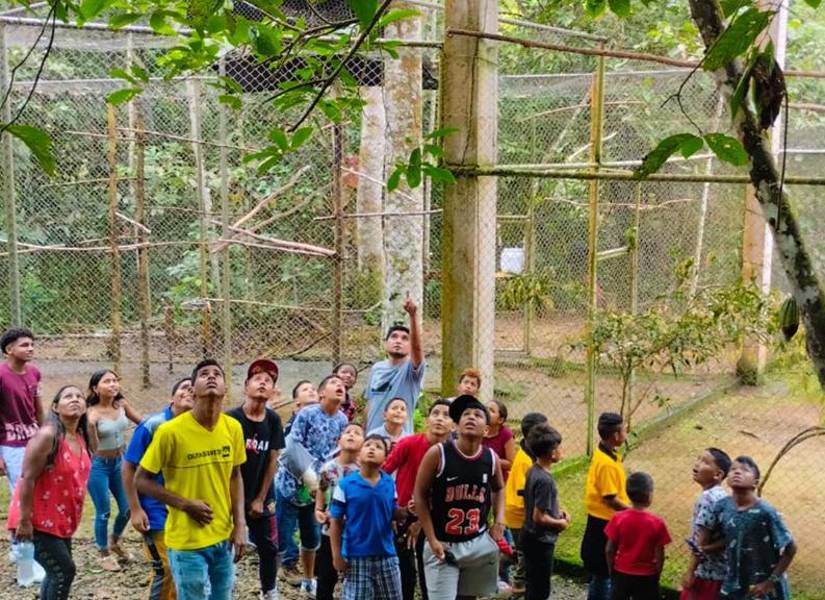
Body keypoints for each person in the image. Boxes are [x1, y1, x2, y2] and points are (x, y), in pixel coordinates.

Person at [136, 359, 246, 600]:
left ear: (225, 388)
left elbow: (235, 475)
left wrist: (239, 524)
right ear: (193, 389)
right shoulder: (170, 432)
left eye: (217, 374)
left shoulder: (234, 428)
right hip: (187, 541)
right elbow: (141, 480)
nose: (211, 377)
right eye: (204, 374)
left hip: (223, 536)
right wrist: (185, 504)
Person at [414, 395, 505, 600]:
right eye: (465, 414)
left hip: (476, 540)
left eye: (478, 415)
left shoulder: (491, 458)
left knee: (469, 597)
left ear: (487, 430)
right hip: (442, 543)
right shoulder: (438, 454)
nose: (471, 417)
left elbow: (499, 488)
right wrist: (431, 538)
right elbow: (419, 495)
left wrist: (500, 521)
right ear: (455, 426)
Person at [8, 385, 91, 600]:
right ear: (55, 407)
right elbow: (27, 478)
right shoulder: (48, 436)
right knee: (64, 572)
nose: (75, 399)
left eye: (80, 396)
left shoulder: (81, 436)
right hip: (37, 519)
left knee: (55, 573)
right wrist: (25, 521)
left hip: (60, 519)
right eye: (68, 396)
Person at [275, 374, 348, 597]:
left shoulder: (343, 420)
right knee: (282, 535)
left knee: (311, 537)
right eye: (334, 384)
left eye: (343, 386)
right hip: (291, 484)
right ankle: (274, 577)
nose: (340, 387)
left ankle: (308, 579)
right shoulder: (307, 413)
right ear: (321, 392)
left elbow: (337, 454)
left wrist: (324, 486)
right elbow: (292, 446)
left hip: (319, 491)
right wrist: (310, 480)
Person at [122, 377, 194, 600]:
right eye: (184, 387)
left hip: (184, 508)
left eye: (194, 389)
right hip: (154, 509)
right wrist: (135, 509)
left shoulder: (198, 428)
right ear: (171, 397)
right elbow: (128, 467)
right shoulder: (154, 424)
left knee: (181, 567)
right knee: (165, 568)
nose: (189, 391)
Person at [226, 359, 285, 600]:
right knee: (226, 548)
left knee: (270, 548)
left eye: (268, 380)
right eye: (257, 378)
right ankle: (224, 590)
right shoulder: (230, 420)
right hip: (230, 495)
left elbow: (273, 461)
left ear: (272, 391)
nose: (263, 382)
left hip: (262, 495)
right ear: (245, 386)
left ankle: (269, 591)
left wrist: (260, 498)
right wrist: (234, 504)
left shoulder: (273, 420)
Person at [382, 399, 453, 600]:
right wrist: (393, 509)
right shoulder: (409, 443)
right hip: (402, 514)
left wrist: (422, 522)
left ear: (453, 424)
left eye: (446, 415)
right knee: (404, 572)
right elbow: (383, 475)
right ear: (427, 419)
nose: (440, 419)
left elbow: (447, 493)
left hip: (434, 519)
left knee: (429, 570)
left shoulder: (452, 454)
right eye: (435, 413)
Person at [704, 456, 797, 600]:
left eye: (745, 470)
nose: (737, 472)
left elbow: (791, 548)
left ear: (755, 483)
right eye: (733, 469)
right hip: (733, 583)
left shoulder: (766, 512)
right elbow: (729, 538)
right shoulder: (722, 506)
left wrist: (770, 582)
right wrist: (706, 548)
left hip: (763, 587)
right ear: (727, 478)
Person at [329, 434, 405, 600]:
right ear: (359, 454)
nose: (372, 448)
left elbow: (393, 512)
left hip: (387, 554)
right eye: (368, 445)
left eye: (378, 447)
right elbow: (335, 522)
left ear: (385, 458)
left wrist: (406, 512)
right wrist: (337, 555)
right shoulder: (345, 485)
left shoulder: (389, 483)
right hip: (356, 556)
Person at [86, 369, 143, 571]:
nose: (113, 385)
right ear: (95, 388)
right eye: (107, 381)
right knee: (103, 512)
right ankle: (103, 554)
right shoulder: (90, 413)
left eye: (114, 381)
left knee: (127, 509)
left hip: (121, 462)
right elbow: (93, 448)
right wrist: (91, 426)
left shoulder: (122, 404)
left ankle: (114, 542)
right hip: (98, 465)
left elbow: (142, 423)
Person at [581, 412, 629, 600]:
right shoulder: (607, 463)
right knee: (603, 572)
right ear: (616, 435)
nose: (626, 432)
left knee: (599, 572)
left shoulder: (603, 452)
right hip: (604, 521)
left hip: (599, 519)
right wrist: (633, 512)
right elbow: (610, 498)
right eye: (624, 429)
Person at [315, 422, 364, 600]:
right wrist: (319, 510)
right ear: (339, 440)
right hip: (329, 529)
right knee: (326, 575)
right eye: (348, 432)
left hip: (355, 531)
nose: (351, 435)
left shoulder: (364, 471)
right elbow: (321, 489)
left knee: (355, 575)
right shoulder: (328, 468)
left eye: (357, 433)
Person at [522, 422, 571, 600]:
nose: (560, 451)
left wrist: (558, 512)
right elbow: (539, 516)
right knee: (541, 589)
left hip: (528, 535)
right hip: (541, 540)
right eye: (558, 448)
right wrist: (561, 522)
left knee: (532, 583)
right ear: (551, 453)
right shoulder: (545, 481)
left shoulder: (532, 470)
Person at [605, 472, 672, 600]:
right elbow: (659, 554)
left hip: (621, 572)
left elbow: (609, 549)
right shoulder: (656, 522)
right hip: (647, 576)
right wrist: (657, 574)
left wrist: (612, 570)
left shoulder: (618, 518)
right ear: (649, 495)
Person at [503, 412, 549, 596]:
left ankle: (502, 561)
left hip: (519, 511)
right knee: (525, 552)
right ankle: (518, 585)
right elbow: (525, 491)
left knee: (521, 548)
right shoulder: (525, 460)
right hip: (518, 513)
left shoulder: (528, 453)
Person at [366, 295, 424, 434]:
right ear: (385, 343)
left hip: (400, 441)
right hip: (373, 438)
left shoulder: (411, 370)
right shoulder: (376, 368)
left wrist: (413, 316)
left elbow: (417, 349)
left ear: (410, 346)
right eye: (394, 337)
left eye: (405, 339)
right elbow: (370, 404)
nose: (398, 341)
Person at [680, 448, 731, 600]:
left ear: (718, 474)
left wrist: (690, 573)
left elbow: (700, 544)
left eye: (705, 462)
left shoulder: (707, 499)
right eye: (699, 459)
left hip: (705, 573)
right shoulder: (723, 496)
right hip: (721, 572)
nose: (698, 464)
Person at [0, 327, 44, 494]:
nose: (30, 348)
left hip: (34, 439)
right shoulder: (2, 376)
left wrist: (47, 437)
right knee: (21, 491)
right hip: (10, 443)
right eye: (24, 345)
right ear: (9, 350)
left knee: (40, 488)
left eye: (32, 344)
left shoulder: (34, 373)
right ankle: (19, 520)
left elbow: (38, 409)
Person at [483, 400, 515, 480]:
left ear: (500, 420)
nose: (486, 411)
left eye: (492, 410)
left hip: (498, 479)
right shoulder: (479, 428)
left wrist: (490, 459)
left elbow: (511, 463)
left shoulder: (506, 434)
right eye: (485, 408)